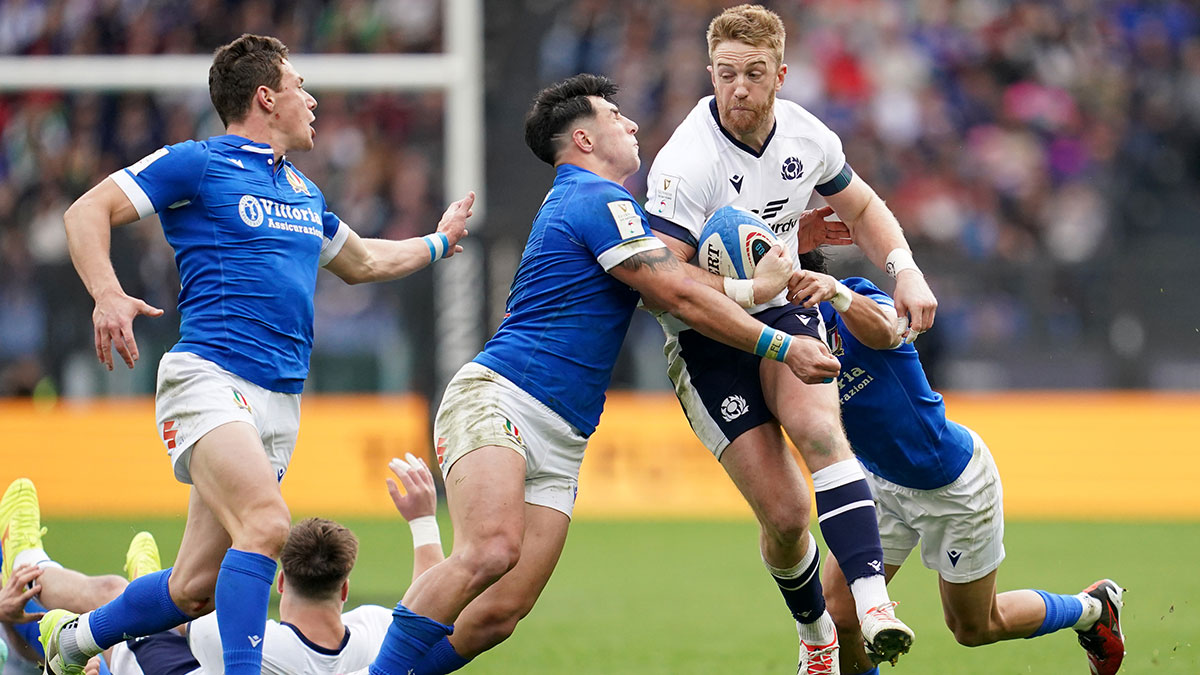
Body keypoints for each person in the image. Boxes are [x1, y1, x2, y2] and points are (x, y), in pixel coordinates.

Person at [356, 72, 841, 675]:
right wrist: (778, 345)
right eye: (615, 116)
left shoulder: (610, 209)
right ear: (583, 139)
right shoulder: (593, 198)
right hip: (502, 397)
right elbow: (674, 293)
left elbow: (676, 280)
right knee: (490, 552)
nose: (631, 123)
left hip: (563, 433)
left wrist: (781, 247)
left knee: (501, 611)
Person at [43, 33, 474, 675]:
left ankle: (73, 641)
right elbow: (87, 211)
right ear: (267, 97)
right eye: (300, 85)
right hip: (210, 378)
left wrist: (437, 243)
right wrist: (107, 295)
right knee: (269, 524)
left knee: (193, 587)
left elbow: (363, 260)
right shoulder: (197, 163)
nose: (312, 98)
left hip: (280, 402)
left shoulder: (303, 191)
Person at [642, 5, 935, 670]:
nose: (737, 88)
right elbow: (665, 283)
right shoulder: (685, 163)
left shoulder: (808, 135)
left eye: (751, 74)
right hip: (704, 336)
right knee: (786, 514)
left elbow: (860, 206)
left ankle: (872, 603)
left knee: (822, 431)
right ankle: (815, 635)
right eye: (724, 74)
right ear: (709, 73)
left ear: (780, 74)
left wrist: (906, 270)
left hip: (781, 308)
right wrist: (755, 288)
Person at [784, 254, 1125, 675]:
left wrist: (837, 293)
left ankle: (1092, 609)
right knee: (839, 615)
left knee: (975, 627)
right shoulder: (781, 335)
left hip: (953, 484)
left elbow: (891, 331)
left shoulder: (854, 297)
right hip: (878, 485)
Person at [0, 455, 447, 675]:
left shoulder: (246, 640)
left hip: (159, 664)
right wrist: (424, 520)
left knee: (121, 600)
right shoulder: (374, 637)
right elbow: (430, 607)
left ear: (279, 582)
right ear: (344, 589)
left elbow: (173, 612)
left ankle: (27, 561)